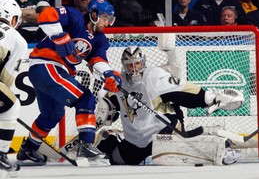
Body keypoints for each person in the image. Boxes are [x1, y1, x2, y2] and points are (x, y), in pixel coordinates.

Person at [16, 0, 122, 166]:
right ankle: (86, 144)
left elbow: (98, 60)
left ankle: (28, 149)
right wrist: (59, 36)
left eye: (110, 20)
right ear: (94, 14)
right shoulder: (75, 16)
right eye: (105, 18)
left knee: (52, 114)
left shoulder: (100, 39)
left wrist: (109, 74)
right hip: (46, 65)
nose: (107, 24)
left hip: (51, 72)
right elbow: (47, 15)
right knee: (85, 98)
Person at [94, 47, 244, 165]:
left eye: (137, 63)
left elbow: (183, 91)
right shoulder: (117, 82)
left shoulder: (153, 76)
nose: (134, 68)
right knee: (116, 159)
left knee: (177, 155)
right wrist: (96, 123)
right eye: (129, 65)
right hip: (136, 140)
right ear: (124, 66)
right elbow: (107, 109)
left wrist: (210, 98)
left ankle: (220, 145)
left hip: (162, 130)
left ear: (143, 62)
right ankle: (112, 138)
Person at [0, 0, 27, 173]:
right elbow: (6, 79)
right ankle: (1, 154)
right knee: (11, 106)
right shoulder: (16, 38)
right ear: (12, 18)